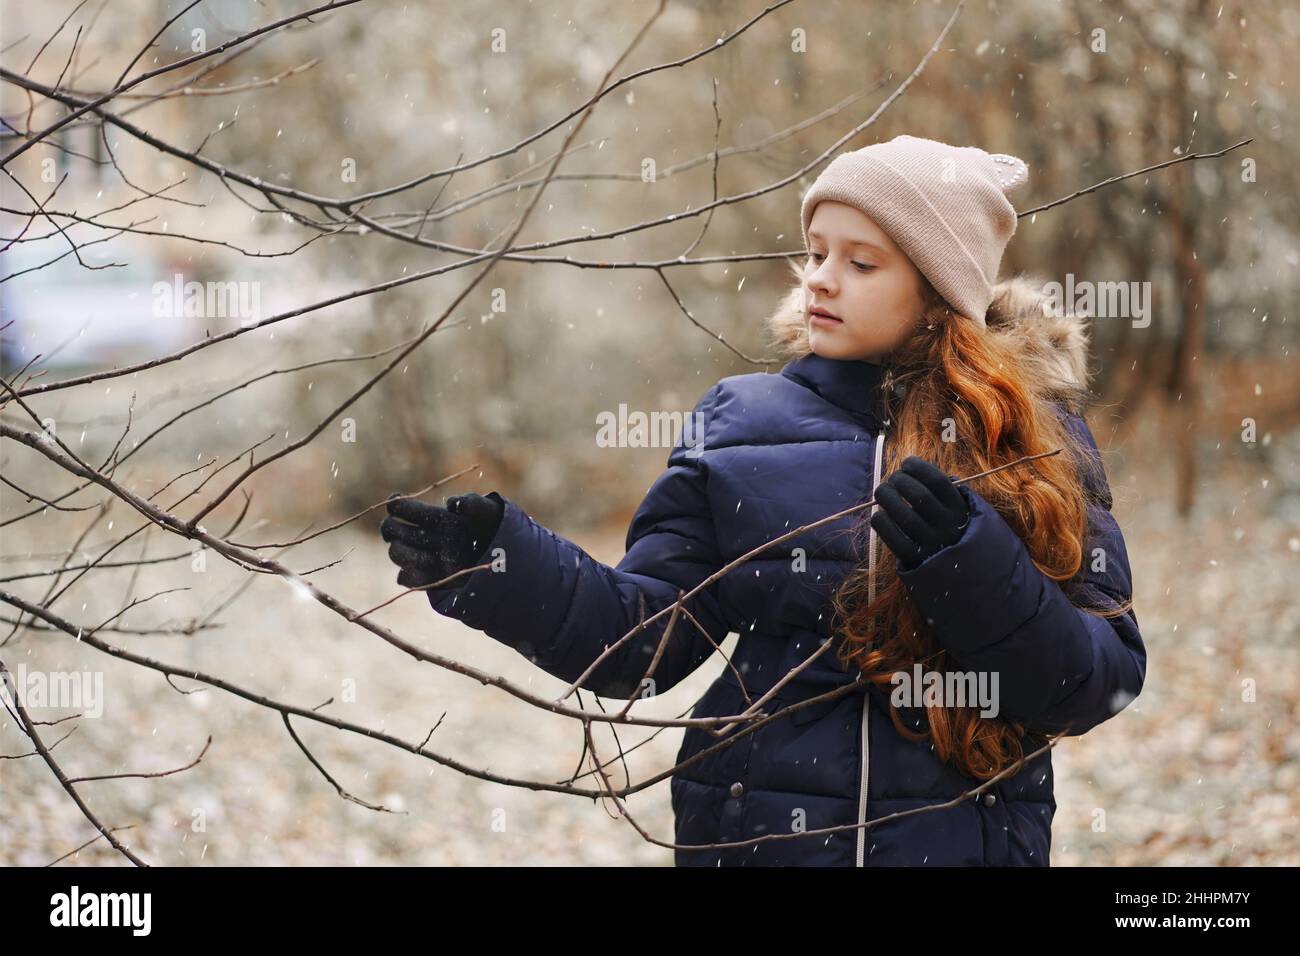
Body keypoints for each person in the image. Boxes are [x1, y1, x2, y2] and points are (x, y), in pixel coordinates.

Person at [379, 134, 1146, 866]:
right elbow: (640, 642)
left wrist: (969, 566)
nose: (820, 278)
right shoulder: (742, 426)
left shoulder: (1034, 437)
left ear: (940, 287)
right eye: (816, 254)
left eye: (861, 262)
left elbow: (1095, 683)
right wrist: (502, 567)